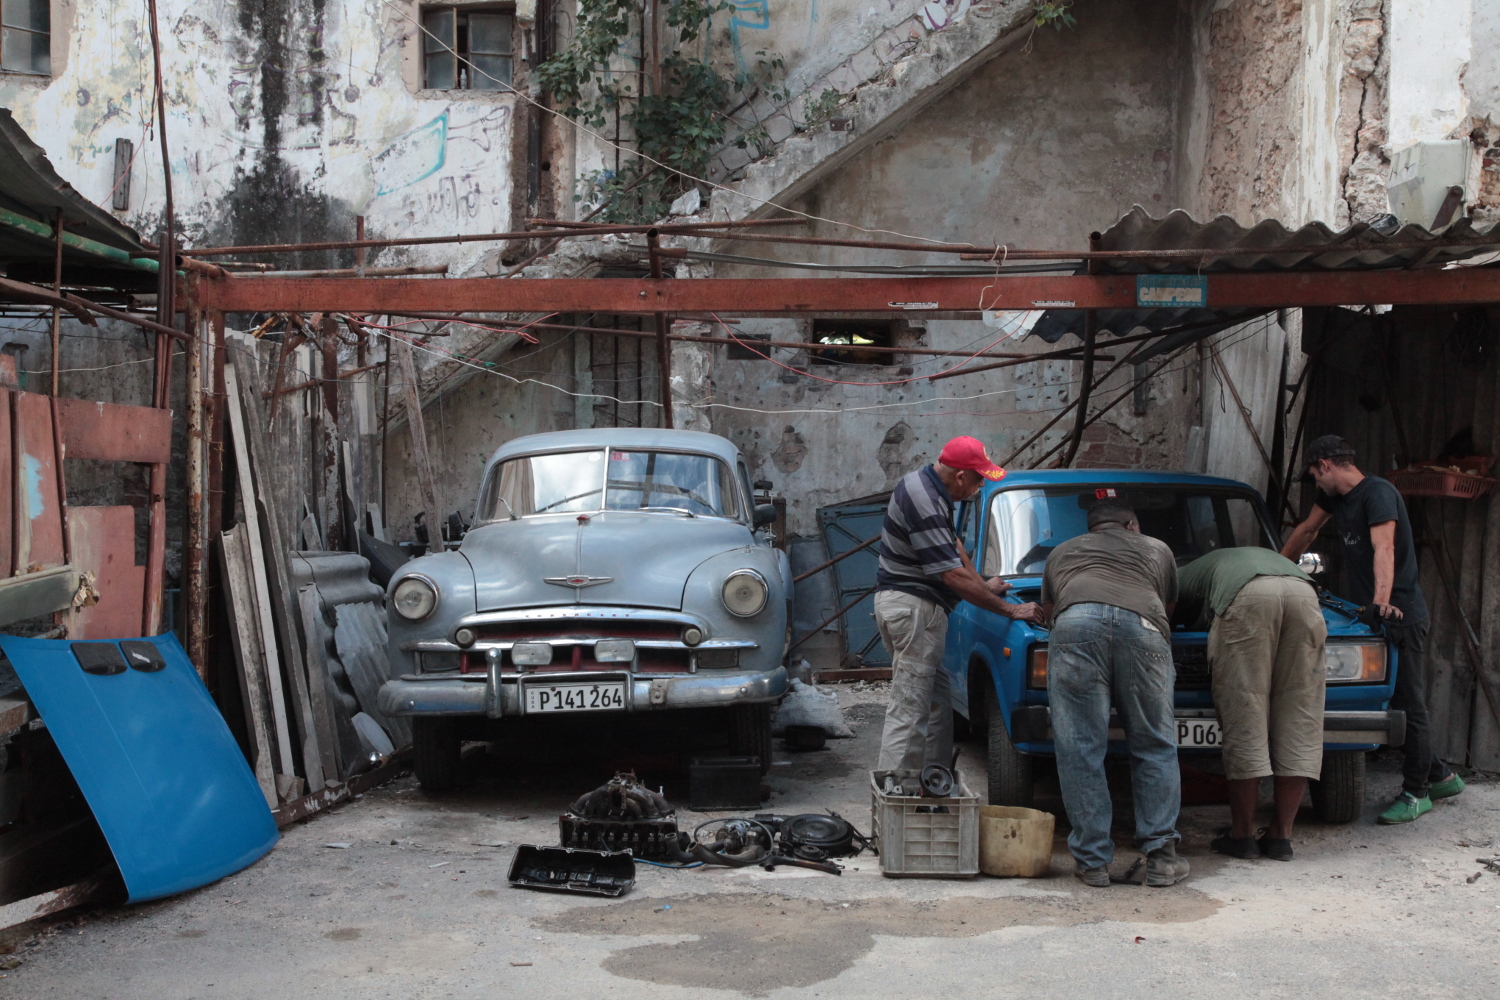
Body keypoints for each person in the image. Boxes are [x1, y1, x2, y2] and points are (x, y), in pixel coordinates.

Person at [1281, 434, 1465, 824]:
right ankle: (1442, 775)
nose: (1316, 482)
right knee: (1395, 697)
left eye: (1314, 473)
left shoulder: (1377, 493)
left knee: (1410, 704)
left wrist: (1382, 602)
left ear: (1326, 466)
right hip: (1375, 614)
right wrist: (1273, 567)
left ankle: (1418, 792)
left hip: (1401, 613)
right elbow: (1307, 530)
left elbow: (1386, 548)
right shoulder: (1335, 498)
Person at [874, 436, 1042, 780]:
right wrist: (1009, 611)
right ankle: (893, 796)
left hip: (912, 607)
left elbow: (955, 547)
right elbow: (951, 574)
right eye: (978, 479)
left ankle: (933, 783)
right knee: (910, 709)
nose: (979, 488)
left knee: (935, 704)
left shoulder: (931, 490)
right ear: (962, 475)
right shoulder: (925, 498)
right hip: (914, 608)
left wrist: (982, 584)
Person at [1041, 501, 1188, 888]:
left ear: (1091, 530)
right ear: (1132, 525)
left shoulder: (1061, 552)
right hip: (1143, 627)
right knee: (1154, 743)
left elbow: (1050, 608)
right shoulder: (1157, 548)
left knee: (1080, 749)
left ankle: (1092, 863)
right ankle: (1161, 859)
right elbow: (1167, 607)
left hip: (1075, 624)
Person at [1176, 547, 1325, 861]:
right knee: (1299, 713)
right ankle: (1281, 836)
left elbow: (1170, 617)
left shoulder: (1179, 575)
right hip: (1304, 595)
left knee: (1247, 711)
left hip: (1249, 597)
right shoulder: (1251, 556)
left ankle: (1242, 834)